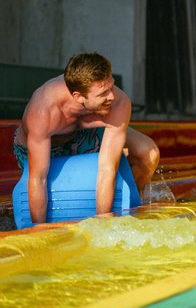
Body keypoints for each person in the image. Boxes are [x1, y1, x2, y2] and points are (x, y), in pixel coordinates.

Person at [12, 52, 160, 225]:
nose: (111, 96)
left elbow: (107, 169)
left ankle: (132, 204)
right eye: (103, 93)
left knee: (149, 153)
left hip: (86, 136)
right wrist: (40, 228)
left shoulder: (118, 102)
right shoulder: (44, 110)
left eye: (111, 86)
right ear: (78, 96)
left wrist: (103, 221)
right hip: (48, 148)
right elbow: (39, 177)